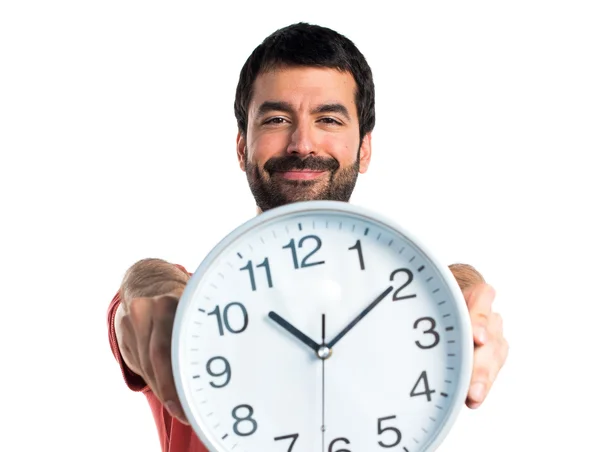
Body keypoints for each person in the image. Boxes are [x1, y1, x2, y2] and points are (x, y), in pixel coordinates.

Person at [107, 22, 509, 452]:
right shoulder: (189, 309)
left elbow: (447, 297)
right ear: (242, 146)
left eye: (329, 119)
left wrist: (453, 294)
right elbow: (140, 311)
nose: (302, 143)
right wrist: (145, 283)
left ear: (364, 149)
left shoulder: (415, 307)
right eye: (278, 119)